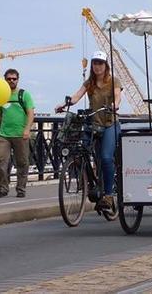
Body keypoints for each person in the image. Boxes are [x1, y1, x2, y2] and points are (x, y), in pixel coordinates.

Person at [55, 51, 121, 212]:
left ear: (106, 66)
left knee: (106, 158)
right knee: (81, 152)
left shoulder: (113, 81)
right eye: (95, 63)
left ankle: (109, 194)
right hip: (93, 124)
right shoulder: (89, 82)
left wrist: (115, 105)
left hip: (109, 123)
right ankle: (89, 182)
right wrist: (65, 104)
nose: (97, 66)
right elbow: (77, 96)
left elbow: (117, 96)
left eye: (100, 63)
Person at [0, 68, 35, 198]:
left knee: (22, 163)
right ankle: (3, 188)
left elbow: (31, 113)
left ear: (18, 80)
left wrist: (27, 129)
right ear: (5, 80)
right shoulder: (2, 95)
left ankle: (21, 189)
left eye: (14, 79)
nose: (11, 81)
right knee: (0, 161)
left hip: (21, 134)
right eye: (9, 79)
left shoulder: (24, 95)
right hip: (4, 134)